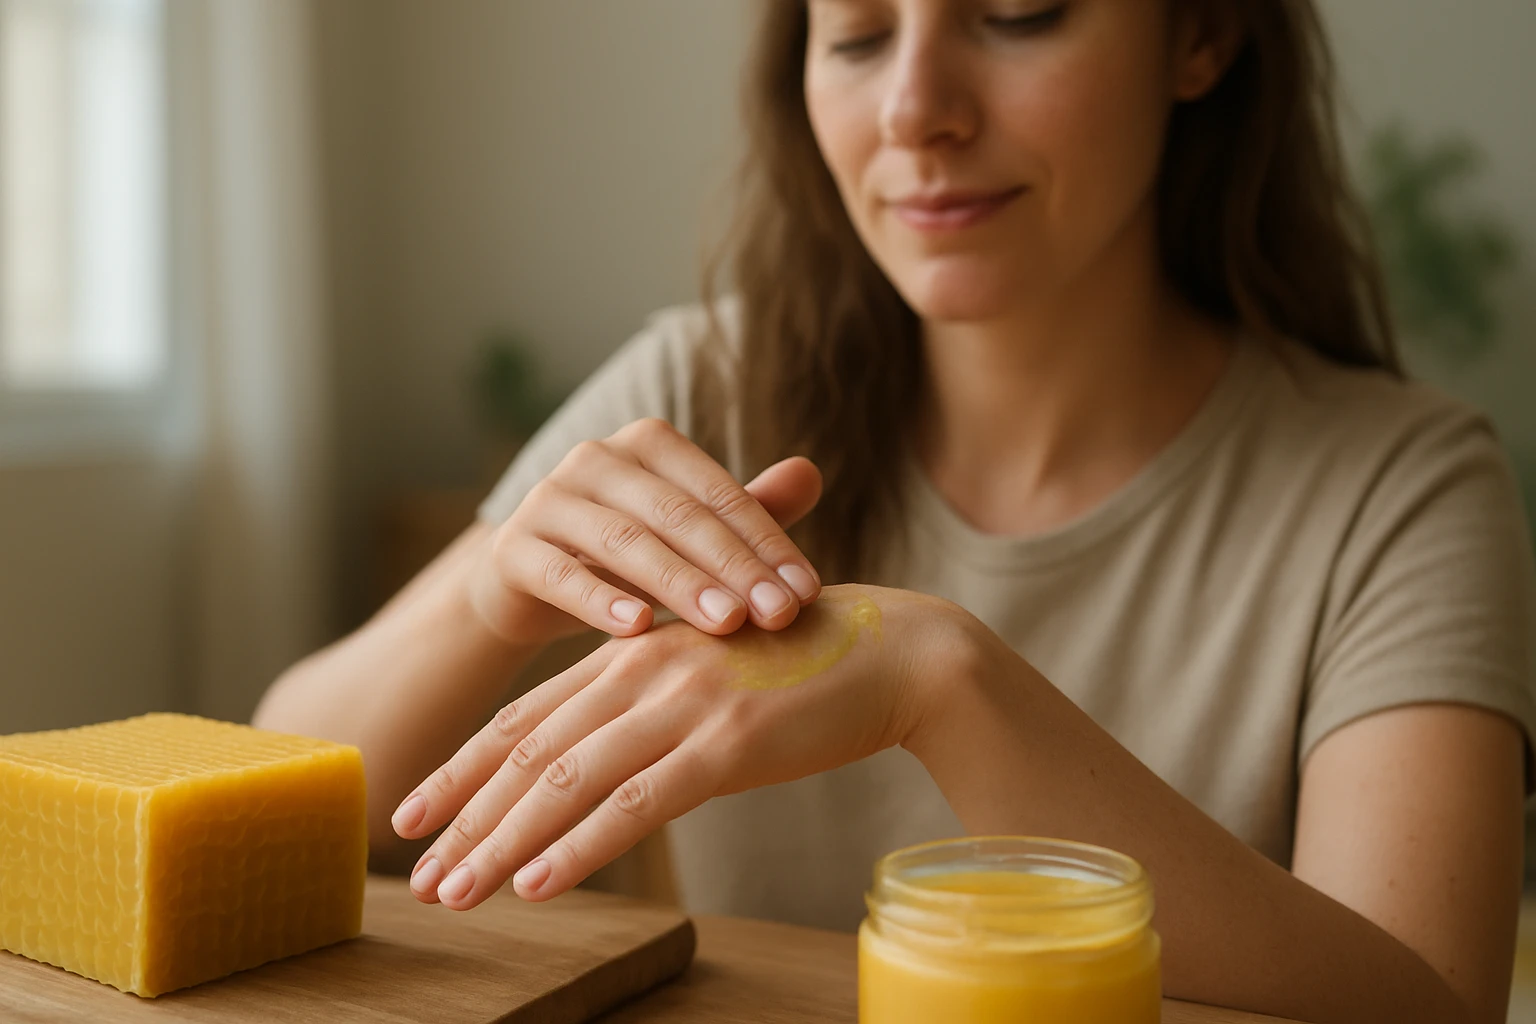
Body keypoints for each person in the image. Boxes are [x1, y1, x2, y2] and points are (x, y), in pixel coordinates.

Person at [252, 1, 1536, 1020]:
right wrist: (490, 596)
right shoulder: (701, 389)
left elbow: (1423, 1002)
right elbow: (289, 783)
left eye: (1020, 15)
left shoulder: (1401, 485)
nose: (915, 111)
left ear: (1199, 37)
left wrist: (944, 682)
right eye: (858, 36)